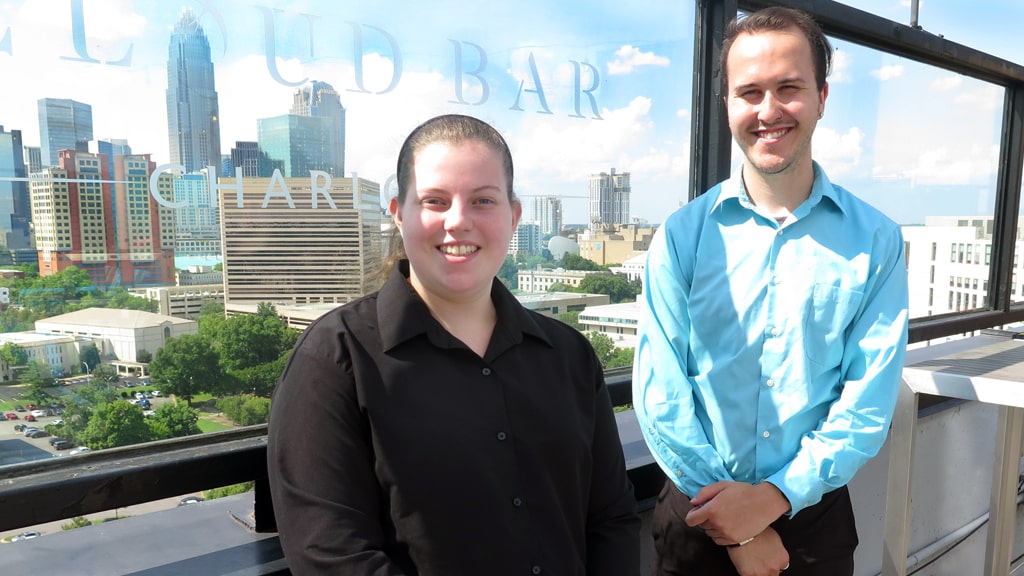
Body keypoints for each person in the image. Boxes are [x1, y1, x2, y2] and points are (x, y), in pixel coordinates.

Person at [267, 113, 640, 575]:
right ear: (399, 214)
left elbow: (611, 518)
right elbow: (332, 556)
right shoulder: (336, 360)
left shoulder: (567, 356)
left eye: (483, 199)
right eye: (434, 201)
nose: (458, 221)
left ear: (513, 216)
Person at [633, 7, 909, 576]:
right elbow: (660, 394)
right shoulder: (683, 236)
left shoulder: (876, 240)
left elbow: (866, 403)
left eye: (789, 88)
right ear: (727, 104)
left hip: (813, 523)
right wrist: (736, 529)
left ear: (823, 96)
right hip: (693, 517)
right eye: (749, 92)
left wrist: (775, 498)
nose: (768, 110)